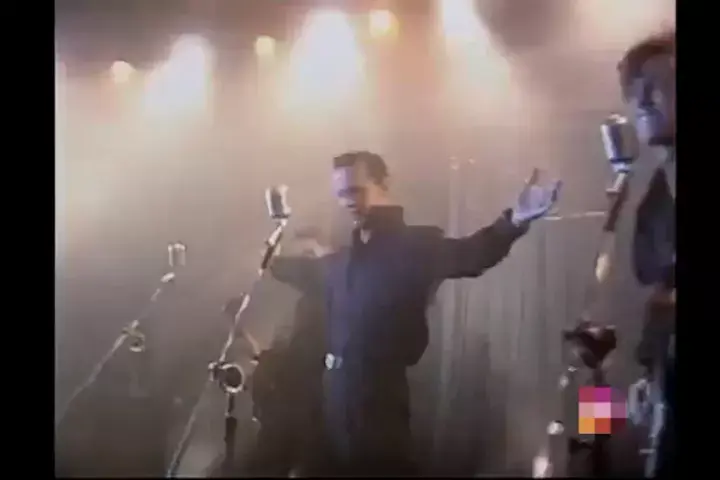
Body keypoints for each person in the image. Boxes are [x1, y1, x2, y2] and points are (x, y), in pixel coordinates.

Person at [322, 151, 561, 475]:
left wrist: (514, 221)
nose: (347, 202)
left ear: (383, 185)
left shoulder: (413, 245)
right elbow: (312, 272)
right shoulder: (346, 256)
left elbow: (470, 255)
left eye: (355, 191)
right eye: (340, 194)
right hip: (338, 395)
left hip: (379, 394)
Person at [617, 29, 675, 478]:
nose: (642, 100)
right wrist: (649, 371)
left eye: (656, 84)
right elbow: (660, 290)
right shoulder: (655, 197)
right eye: (635, 89)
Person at [244, 229, 333, 476]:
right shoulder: (300, 304)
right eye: (301, 256)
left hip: (321, 406)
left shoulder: (333, 294)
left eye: (310, 255)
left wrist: (274, 259)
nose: (304, 264)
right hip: (290, 405)